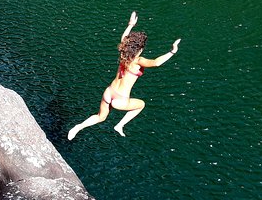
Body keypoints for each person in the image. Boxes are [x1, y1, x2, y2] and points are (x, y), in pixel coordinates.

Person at [68, 11, 180, 139]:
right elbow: (156, 63)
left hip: (109, 92)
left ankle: (77, 127)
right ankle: (120, 125)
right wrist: (172, 51)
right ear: (141, 49)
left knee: (100, 117)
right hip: (120, 99)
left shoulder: (123, 54)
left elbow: (124, 38)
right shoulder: (138, 61)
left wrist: (130, 25)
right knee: (141, 104)